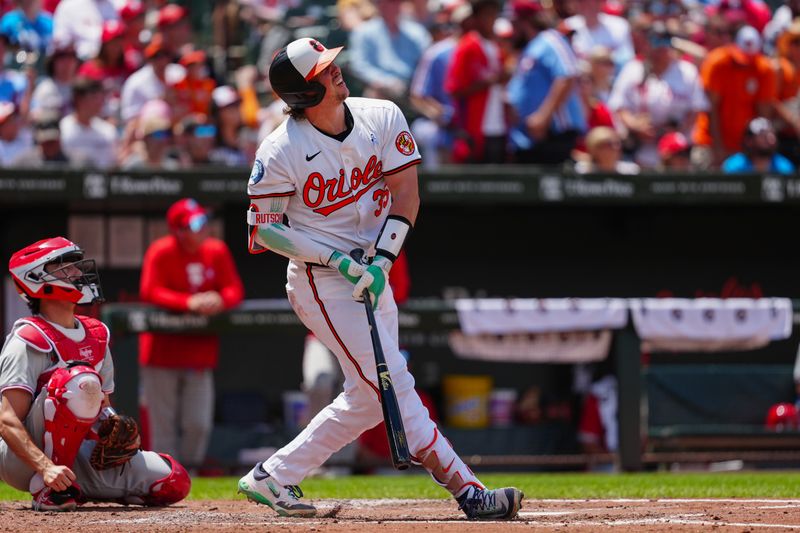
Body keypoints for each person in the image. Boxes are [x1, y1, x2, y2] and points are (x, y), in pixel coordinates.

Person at [239, 37, 523, 520]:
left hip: (373, 269)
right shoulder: (281, 149)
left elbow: (405, 197)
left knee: (369, 399)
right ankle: (468, 490)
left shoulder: (382, 115)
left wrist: (380, 263)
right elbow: (263, 233)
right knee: (395, 385)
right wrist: (339, 260)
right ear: (306, 92)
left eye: (332, 63)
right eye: (324, 70)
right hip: (321, 281)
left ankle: (275, 475)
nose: (337, 70)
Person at [1, 236, 190, 511]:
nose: (78, 273)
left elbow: (100, 408)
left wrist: (113, 429)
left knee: (172, 480)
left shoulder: (96, 334)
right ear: (36, 280)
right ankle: (48, 489)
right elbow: (7, 421)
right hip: (22, 462)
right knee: (78, 380)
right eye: (65, 268)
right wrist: (45, 467)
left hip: (75, 453)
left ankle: (74, 488)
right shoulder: (28, 339)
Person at [139, 198, 244, 470]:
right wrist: (188, 302)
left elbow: (234, 290)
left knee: (197, 423)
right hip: (161, 351)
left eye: (203, 221)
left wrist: (219, 300)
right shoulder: (160, 251)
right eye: (195, 224)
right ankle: (163, 476)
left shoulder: (216, 250)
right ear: (179, 230)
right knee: (163, 426)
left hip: (199, 351)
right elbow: (150, 291)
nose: (203, 227)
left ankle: (189, 474)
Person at [721, 117, 796, 174]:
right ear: (748, 141)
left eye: (772, 134)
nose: (769, 139)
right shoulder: (734, 166)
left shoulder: (784, 167)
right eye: (763, 135)